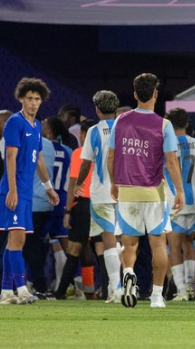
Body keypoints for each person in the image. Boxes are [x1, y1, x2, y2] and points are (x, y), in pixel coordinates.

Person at [107, 74, 184, 309]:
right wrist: (179, 190)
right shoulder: (164, 124)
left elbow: (111, 156)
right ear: (155, 94)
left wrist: (113, 183)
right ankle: (157, 296)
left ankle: (128, 272)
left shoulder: (120, 121)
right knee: (158, 244)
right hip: (153, 192)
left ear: (134, 95)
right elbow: (171, 161)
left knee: (129, 244)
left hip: (127, 190)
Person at [0, 77, 59, 305]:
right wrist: (12, 190)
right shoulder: (15, 122)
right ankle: (21, 288)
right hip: (13, 191)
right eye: (29, 98)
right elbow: (10, 158)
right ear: (21, 98)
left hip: (25, 193)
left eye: (37, 99)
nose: (33, 103)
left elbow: (39, 160)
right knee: (17, 238)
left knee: (15, 241)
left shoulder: (36, 126)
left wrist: (48, 188)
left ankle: (5, 292)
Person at [73, 90, 122, 302]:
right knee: (124, 240)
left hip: (102, 192)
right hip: (127, 191)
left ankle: (116, 289)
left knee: (108, 240)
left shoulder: (93, 131)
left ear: (97, 109)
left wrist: (79, 182)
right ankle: (123, 284)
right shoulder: (126, 128)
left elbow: (86, 162)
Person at [163, 108, 195, 302]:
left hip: (175, 202)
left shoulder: (164, 145)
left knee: (174, 247)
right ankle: (189, 287)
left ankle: (181, 290)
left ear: (168, 124)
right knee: (189, 244)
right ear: (187, 123)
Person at [23, 118, 70, 299]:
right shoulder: (54, 147)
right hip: (48, 203)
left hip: (32, 203)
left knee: (29, 247)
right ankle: (36, 285)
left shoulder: (30, 143)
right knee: (41, 247)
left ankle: (37, 286)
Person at [54, 120, 94, 301]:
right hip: (103, 204)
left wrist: (68, 210)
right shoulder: (106, 152)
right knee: (101, 248)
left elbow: (73, 182)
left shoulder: (80, 153)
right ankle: (93, 291)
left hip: (83, 204)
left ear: (84, 135)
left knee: (74, 250)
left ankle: (61, 291)